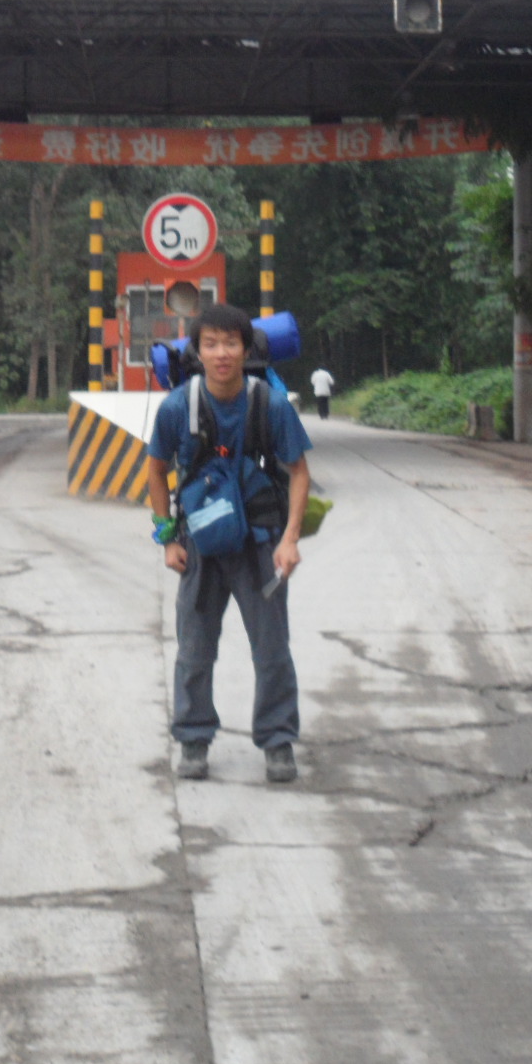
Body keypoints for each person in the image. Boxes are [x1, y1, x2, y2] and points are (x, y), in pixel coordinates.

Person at [146, 303, 314, 784]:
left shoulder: (269, 404)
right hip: (200, 544)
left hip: (260, 544)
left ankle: (278, 741)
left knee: (272, 649)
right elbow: (155, 470)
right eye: (211, 344)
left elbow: (299, 472)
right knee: (195, 649)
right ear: (197, 352)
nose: (222, 354)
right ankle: (193, 739)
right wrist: (166, 539)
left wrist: (289, 540)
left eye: (231, 343)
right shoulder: (179, 405)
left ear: (247, 349)